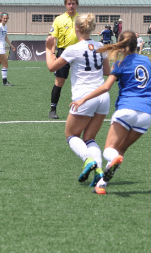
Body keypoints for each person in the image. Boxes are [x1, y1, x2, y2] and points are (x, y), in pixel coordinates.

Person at [70, 31, 151, 195]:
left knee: (109, 149)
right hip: (147, 114)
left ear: (122, 46)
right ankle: (101, 185)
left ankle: (111, 161)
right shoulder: (146, 60)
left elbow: (105, 87)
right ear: (136, 44)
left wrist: (83, 99)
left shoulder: (120, 65)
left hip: (127, 109)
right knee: (121, 150)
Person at [45, 13, 111, 187]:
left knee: (71, 135)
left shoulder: (74, 48)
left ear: (77, 29)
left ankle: (88, 160)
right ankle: (100, 175)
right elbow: (106, 72)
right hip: (102, 96)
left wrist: (48, 48)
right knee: (90, 138)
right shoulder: (100, 46)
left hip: (85, 97)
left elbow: (51, 66)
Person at [48, 0, 80, 119]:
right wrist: (52, 53)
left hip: (79, 53)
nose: (71, 6)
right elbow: (53, 37)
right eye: (69, 4)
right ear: (65, 5)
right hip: (63, 52)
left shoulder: (81, 19)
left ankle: (82, 109)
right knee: (60, 81)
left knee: (81, 80)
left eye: (73, 3)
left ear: (77, 4)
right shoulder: (59, 19)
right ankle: (52, 110)